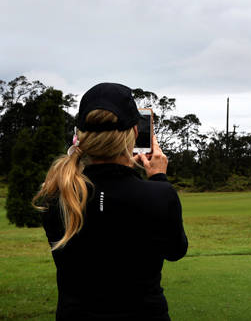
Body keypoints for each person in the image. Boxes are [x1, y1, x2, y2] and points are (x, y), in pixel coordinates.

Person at [34, 83, 188, 320]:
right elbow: (176, 250)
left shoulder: (56, 196)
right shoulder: (159, 194)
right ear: (135, 133)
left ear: (80, 136)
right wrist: (159, 177)